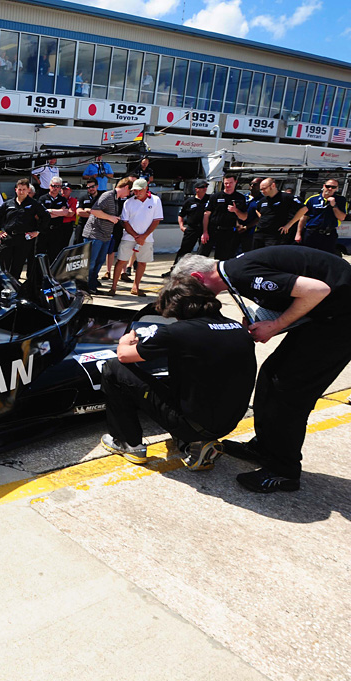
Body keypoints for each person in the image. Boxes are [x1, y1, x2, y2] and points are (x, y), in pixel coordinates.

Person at [172, 248, 351, 493]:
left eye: (189, 287)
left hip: (339, 322)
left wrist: (276, 326)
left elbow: (317, 290)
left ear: (198, 277)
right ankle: (265, 448)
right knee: (270, 377)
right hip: (325, 316)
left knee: (288, 391)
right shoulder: (234, 272)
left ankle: (283, 471)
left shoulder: (241, 274)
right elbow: (288, 291)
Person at [100, 275, 255, 469]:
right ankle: (192, 444)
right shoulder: (237, 328)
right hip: (228, 423)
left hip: (193, 424)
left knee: (113, 368)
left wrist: (125, 340)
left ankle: (129, 443)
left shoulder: (178, 332)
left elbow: (124, 356)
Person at [109, 178, 161, 297]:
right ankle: (113, 287)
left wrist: (144, 236)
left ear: (145, 188)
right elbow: (125, 221)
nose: (136, 193)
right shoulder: (129, 202)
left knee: (142, 262)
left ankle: (136, 287)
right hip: (129, 237)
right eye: (134, 191)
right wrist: (136, 236)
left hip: (146, 238)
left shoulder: (156, 200)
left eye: (138, 191)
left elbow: (156, 220)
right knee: (121, 261)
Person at [0, 178, 51, 281]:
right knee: (3, 264)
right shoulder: (8, 203)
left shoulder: (34, 204)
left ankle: (14, 289)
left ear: (28, 190)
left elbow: (46, 217)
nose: (21, 192)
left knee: (17, 265)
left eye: (24, 189)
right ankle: (3, 286)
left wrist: (37, 231)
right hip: (8, 238)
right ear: (16, 190)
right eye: (19, 189)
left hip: (24, 239)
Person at [163, 180, 209, 277]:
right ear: (196, 189)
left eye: (206, 187)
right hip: (192, 229)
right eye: (202, 187)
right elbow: (181, 215)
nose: (205, 189)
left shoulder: (209, 200)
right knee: (184, 250)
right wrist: (181, 226)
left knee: (203, 252)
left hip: (204, 230)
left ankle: (199, 272)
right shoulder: (189, 202)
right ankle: (174, 270)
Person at [200, 174, 248, 260]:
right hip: (212, 230)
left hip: (227, 231)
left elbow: (244, 217)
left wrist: (235, 210)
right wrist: (205, 232)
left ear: (235, 182)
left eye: (230, 183)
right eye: (226, 183)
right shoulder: (215, 196)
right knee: (202, 255)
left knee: (222, 257)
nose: (228, 185)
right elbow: (206, 214)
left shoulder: (240, 198)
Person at [253, 177, 307, 250]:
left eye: (264, 188)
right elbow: (257, 210)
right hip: (260, 232)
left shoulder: (286, 197)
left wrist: (289, 225)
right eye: (261, 189)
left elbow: (304, 209)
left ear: (273, 185)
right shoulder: (263, 200)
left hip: (276, 235)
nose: (263, 191)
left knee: (271, 255)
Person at [298, 180, 347, 253]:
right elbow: (303, 217)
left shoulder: (341, 200)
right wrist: (298, 234)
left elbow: (342, 217)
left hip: (328, 234)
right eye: (328, 186)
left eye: (333, 187)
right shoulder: (312, 199)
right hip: (311, 232)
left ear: (336, 189)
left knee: (327, 257)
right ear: (324, 186)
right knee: (308, 255)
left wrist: (334, 205)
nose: (330, 189)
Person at [35, 177, 74, 263]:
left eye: (57, 186)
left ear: (60, 188)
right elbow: (42, 214)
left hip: (57, 230)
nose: (55, 188)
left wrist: (50, 211)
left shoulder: (62, 199)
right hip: (44, 230)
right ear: (49, 186)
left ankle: (52, 274)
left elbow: (65, 213)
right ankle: (39, 275)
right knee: (40, 253)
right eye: (53, 186)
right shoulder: (42, 198)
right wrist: (58, 212)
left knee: (54, 254)